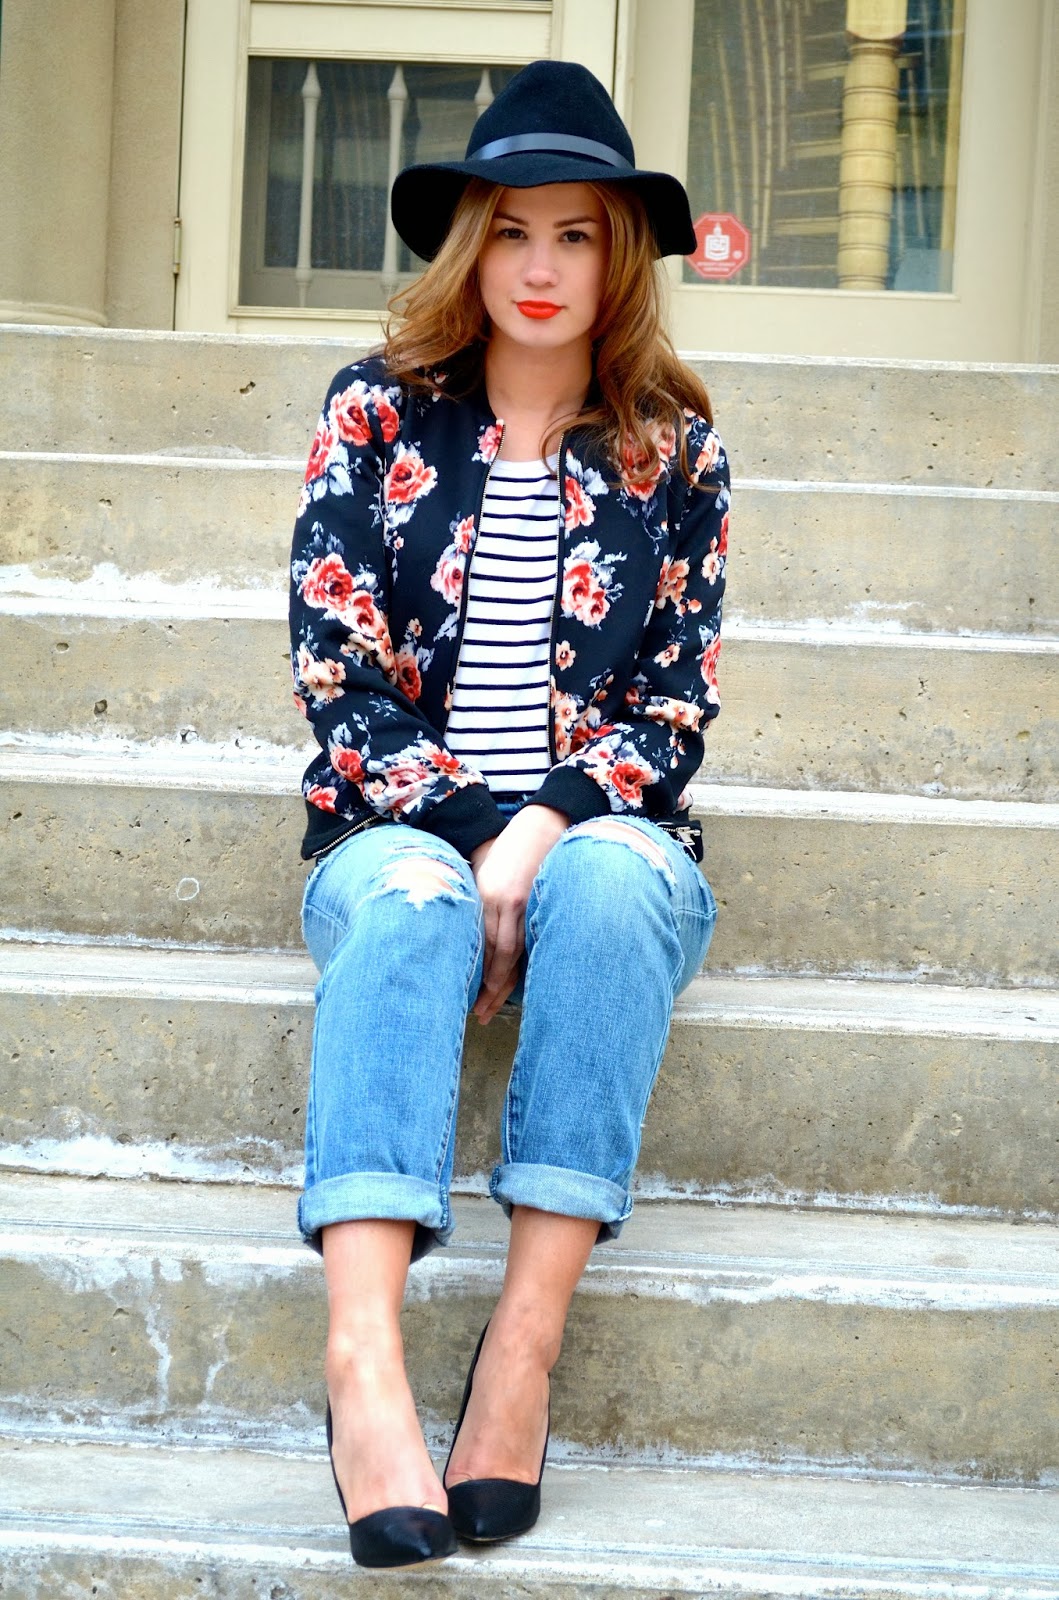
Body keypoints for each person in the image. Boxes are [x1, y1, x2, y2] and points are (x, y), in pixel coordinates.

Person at [288, 59, 730, 1569]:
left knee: (607, 885)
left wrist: (540, 828)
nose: (542, 268)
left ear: (623, 258)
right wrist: (474, 832)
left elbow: (672, 706)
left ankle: (521, 1350)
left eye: (578, 235)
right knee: (413, 898)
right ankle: (362, 1364)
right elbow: (339, 675)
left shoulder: (677, 447)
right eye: (513, 231)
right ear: (470, 246)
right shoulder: (376, 416)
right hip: (394, 831)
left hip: (600, 840)